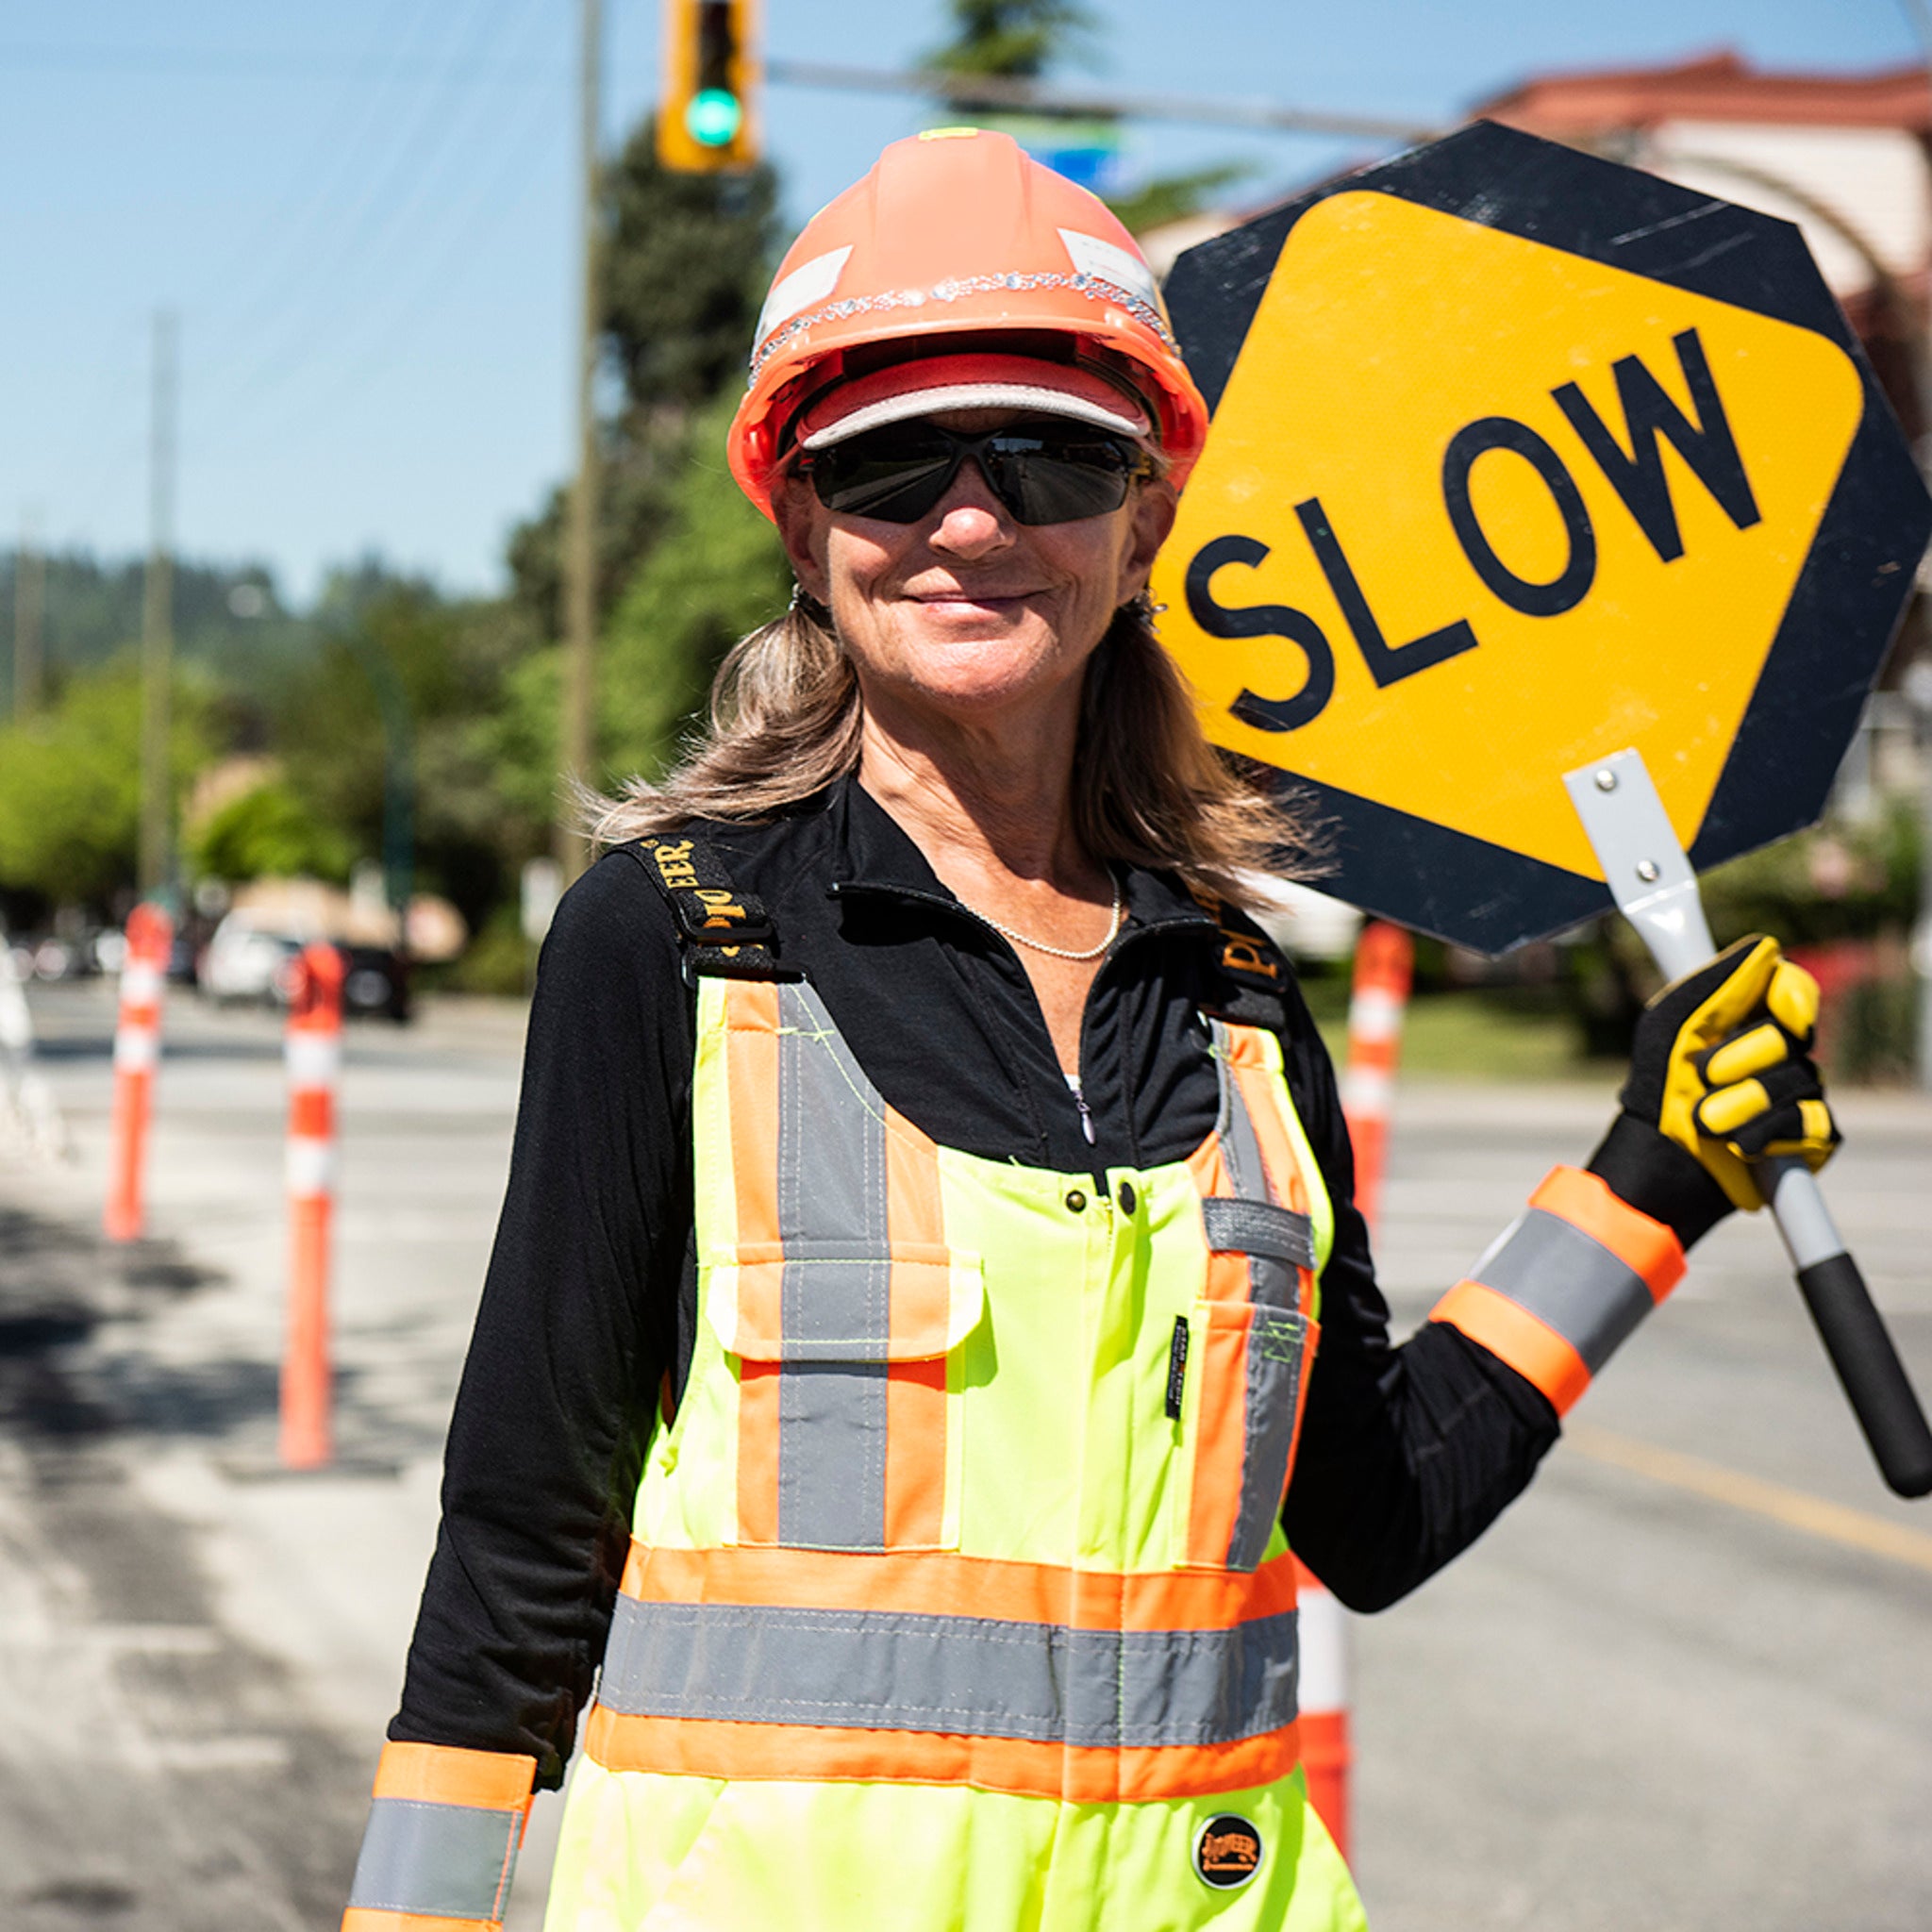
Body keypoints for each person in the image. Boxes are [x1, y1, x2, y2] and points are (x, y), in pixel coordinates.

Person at [340, 129, 1840, 1932]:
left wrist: (1651, 1181)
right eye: (891, 465)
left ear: (1140, 521)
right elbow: (521, 1540)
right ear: (805, 525)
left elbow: (1378, 1508)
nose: (969, 520)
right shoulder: (672, 942)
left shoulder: (1229, 990)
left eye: (1047, 454)